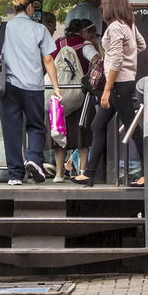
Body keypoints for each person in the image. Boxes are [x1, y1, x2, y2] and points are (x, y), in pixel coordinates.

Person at [0, 0, 63, 186]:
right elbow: (48, 59)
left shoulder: (3, 28)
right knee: (36, 126)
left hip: (8, 87)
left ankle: (15, 175)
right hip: (33, 86)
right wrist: (56, 86)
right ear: (29, 9)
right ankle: (34, 159)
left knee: (11, 130)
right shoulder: (39, 29)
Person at [73, 0, 145, 186]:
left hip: (118, 84)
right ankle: (89, 173)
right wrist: (129, 56)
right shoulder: (128, 24)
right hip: (126, 81)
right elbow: (142, 45)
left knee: (133, 128)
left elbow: (116, 61)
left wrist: (106, 89)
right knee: (98, 125)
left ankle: (147, 174)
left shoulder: (114, 27)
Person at [52, 18, 100, 181]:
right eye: (91, 34)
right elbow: (96, 60)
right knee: (82, 136)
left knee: (59, 133)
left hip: (59, 95)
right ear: (84, 32)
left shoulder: (58, 42)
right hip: (80, 96)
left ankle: (59, 173)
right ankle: (82, 171)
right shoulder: (84, 44)